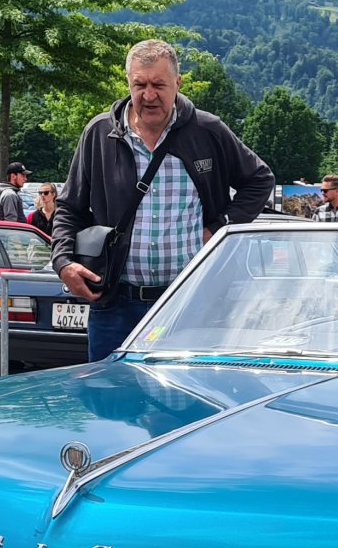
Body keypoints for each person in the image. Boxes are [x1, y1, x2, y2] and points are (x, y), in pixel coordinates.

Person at [52, 38, 274, 362]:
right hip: (116, 305)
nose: (149, 95)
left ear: (178, 84)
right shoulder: (100, 134)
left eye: (159, 84)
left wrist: (218, 228)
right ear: (128, 83)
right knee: (109, 406)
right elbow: (69, 207)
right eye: (139, 84)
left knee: (190, 405)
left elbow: (260, 179)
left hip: (191, 305)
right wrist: (63, 263)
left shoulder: (206, 131)